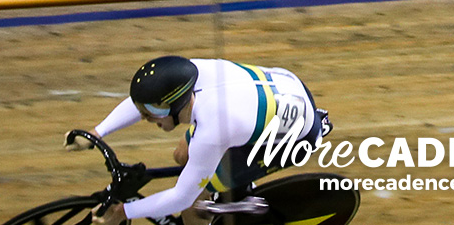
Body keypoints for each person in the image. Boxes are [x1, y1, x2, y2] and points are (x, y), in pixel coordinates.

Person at [89, 55, 326, 224]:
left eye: (155, 112)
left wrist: (124, 211)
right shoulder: (189, 73)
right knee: (182, 154)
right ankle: (236, 191)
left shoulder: (212, 129)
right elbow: (145, 99)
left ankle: (234, 195)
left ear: (176, 103)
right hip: (287, 88)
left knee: (193, 206)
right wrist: (97, 132)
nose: (146, 117)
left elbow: (181, 198)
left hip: (293, 139)